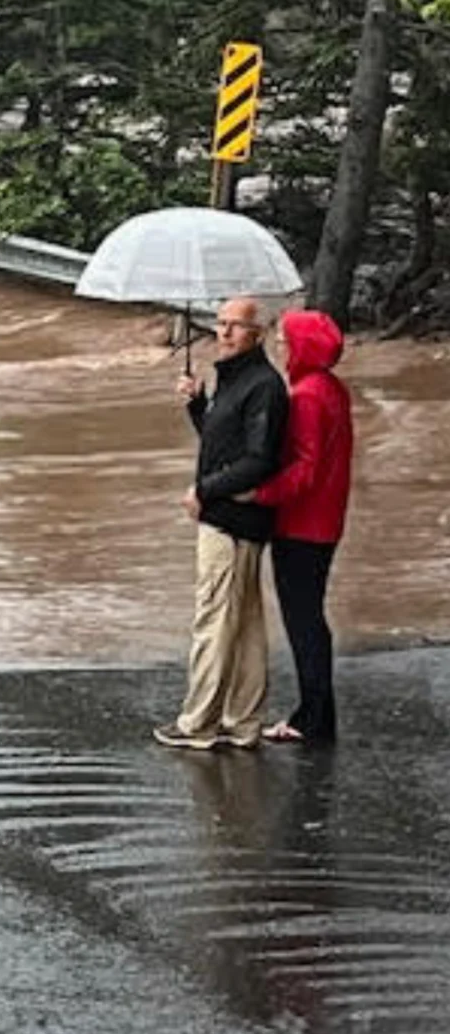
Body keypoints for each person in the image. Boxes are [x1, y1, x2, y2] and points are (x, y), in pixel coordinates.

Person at [155, 296, 288, 751]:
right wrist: (198, 406)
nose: (225, 333)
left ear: (259, 333)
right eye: (221, 324)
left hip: (231, 523)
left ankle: (198, 724)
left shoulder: (263, 386)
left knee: (213, 620)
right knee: (245, 623)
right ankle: (243, 721)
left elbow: (258, 460)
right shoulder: (232, 379)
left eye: (236, 326)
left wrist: (203, 492)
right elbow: (222, 444)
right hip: (235, 520)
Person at [250, 309, 353, 744]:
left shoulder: (307, 395)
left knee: (304, 621)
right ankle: (316, 713)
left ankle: (312, 718)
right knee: (311, 617)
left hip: (302, 525)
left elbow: (304, 469)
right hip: (324, 521)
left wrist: (258, 494)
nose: (279, 345)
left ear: (303, 347)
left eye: (285, 340)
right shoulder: (332, 388)